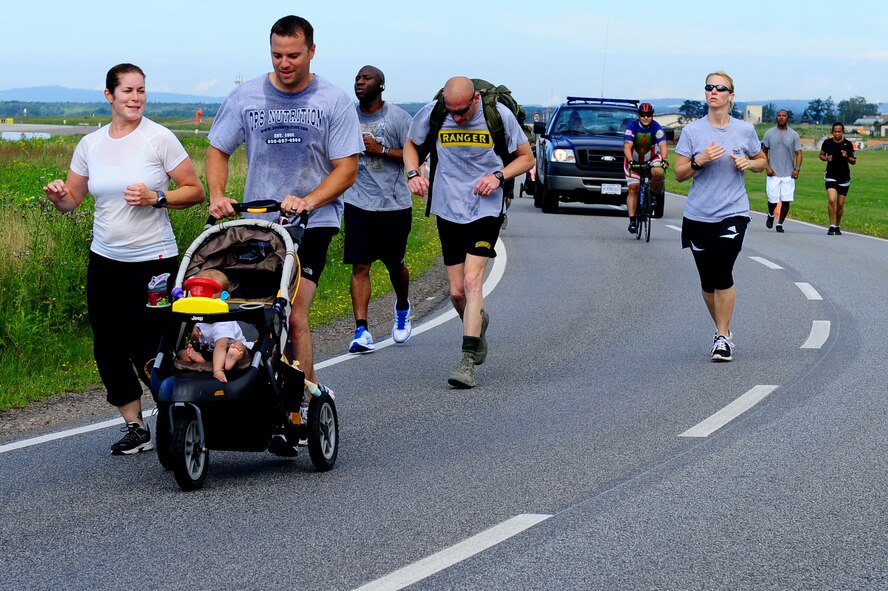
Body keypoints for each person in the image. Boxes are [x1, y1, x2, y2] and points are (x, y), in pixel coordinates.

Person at [42, 63, 205, 454]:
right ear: (109, 95)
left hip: (154, 258)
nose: (136, 98)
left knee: (146, 339)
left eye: (141, 91)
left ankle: (176, 409)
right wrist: (58, 196)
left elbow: (194, 190)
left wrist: (157, 198)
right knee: (107, 342)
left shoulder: (159, 138)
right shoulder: (91, 145)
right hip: (106, 259)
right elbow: (73, 201)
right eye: (128, 91)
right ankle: (135, 425)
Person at [206, 15, 363, 390]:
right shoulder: (246, 97)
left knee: (293, 316)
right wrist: (217, 194)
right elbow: (217, 150)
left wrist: (309, 200)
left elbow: (347, 169)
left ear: (312, 51)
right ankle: (260, 394)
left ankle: (306, 398)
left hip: (315, 221)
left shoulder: (333, 101)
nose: (284, 63)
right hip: (260, 224)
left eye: (293, 55)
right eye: (277, 55)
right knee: (253, 314)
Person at [403, 76, 534, 388]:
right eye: (452, 111)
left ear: (475, 99)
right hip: (448, 207)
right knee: (457, 291)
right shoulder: (436, 112)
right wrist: (413, 173)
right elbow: (411, 144)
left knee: (473, 281)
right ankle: (477, 323)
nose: (457, 118)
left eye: (462, 111)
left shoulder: (498, 116)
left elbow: (525, 157)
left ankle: (467, 361)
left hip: (485, 207)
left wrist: (500, 176)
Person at [673, 71, 767, 362]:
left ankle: (722, 337)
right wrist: (698, 161)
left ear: (731, 96)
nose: (713, 92)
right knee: (707, 280)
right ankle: (722, 329)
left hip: (733, 212)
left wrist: (749, 163)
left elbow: (762, 161)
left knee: (722, 269)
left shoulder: (744, 130)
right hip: (699, 214)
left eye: (719, 88)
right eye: (709, 87)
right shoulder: (692, 132)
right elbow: (678, 174)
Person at [343, 65, 414, 354]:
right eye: (357, 78)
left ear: (380, 85)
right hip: (358, 201)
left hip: (394, 204)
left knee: (394, 264)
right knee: (360, 265)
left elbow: (415, 155)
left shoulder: (398, 117)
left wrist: (381, 150)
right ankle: (362, 330)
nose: (360, 82)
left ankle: (402, 307)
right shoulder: (347, 116)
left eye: (366, 78)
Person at [178, 270, 252, 383]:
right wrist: (196, 332)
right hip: (211, 351)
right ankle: (201, 360)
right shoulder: (203, 315)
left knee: (239, 346)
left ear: (223, 299)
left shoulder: (223, 323)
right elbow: (200, 330)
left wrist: (217, 370)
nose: (203, 307)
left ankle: (230, 359)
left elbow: (221, 347)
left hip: (231, 349)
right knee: (181, 354)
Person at [623, 102, 668, 233]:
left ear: (652, 116)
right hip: (633, 160)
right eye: (643, 115)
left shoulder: (657, 127)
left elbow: (663, 145)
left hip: (652, 158)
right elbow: (627, 145)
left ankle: (652, 195)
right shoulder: (632, 126)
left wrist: (664, 159)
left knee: (659, 172)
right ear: (639, 115)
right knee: (633, 188)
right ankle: (632, 221)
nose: (646, 117)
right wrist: (631, 161)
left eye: (649, 115)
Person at [762, 109, 802, 233]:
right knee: (772, 200)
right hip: (773, 173)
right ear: (776, 118)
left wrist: (797, 169)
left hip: (788, 174)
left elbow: (799, 153)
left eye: (783, 115)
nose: (781, 117)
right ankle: (771, 214)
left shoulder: (794, 135)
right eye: (779, 115)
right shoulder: (769, 134)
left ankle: (780, 224)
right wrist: (767, 167)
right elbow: (763, 152)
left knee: (786, 200)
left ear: (787, 118)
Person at [819, 122, 856, 235]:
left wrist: (847, 156)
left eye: (839, 131)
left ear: (842, 132)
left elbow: (854, 161)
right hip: (831, 175)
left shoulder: (848, 144)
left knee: (840, 204)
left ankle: (837, 225)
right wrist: (826, 158)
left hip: (844, 177)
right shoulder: (827, 143)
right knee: (831, 200)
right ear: (832, 132)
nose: (837, 133)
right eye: (835, 131)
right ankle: (831, 226)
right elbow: (821, 155)